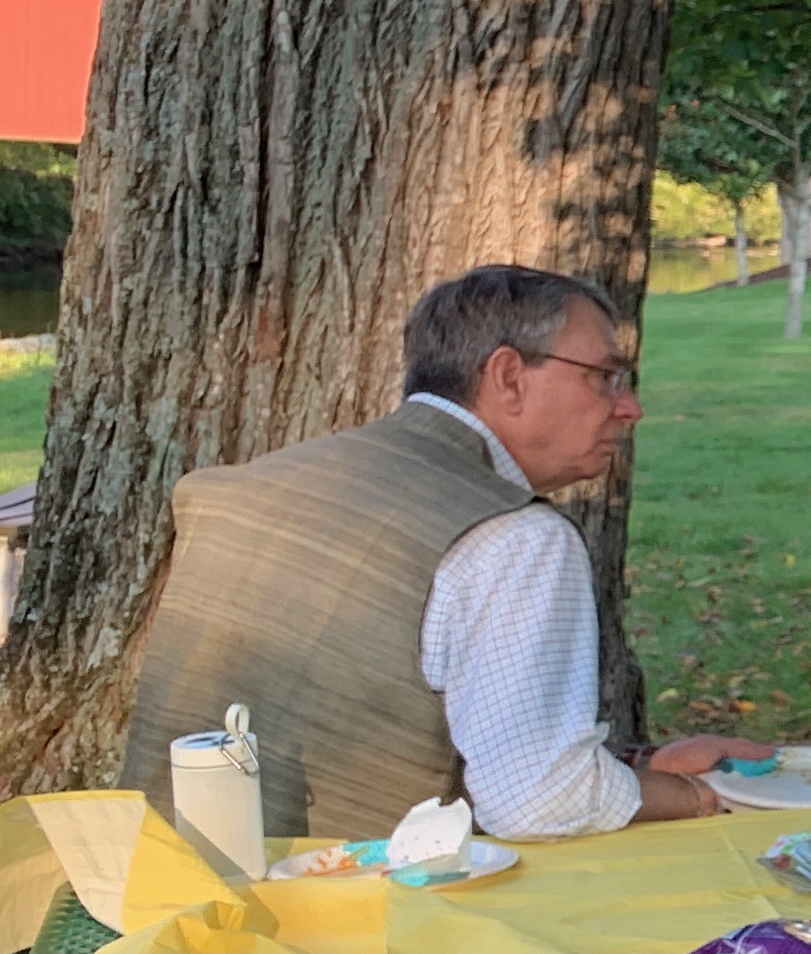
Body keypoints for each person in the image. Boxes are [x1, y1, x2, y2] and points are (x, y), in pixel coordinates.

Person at [124, 265, 768, 844]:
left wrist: (633, 766)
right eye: (604, 377)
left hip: (160, 900)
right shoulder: (513, 538)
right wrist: (700, 797)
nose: (630, 408)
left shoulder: (251, 486)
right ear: (509, 377)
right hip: (352, 934)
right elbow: (539, 802)